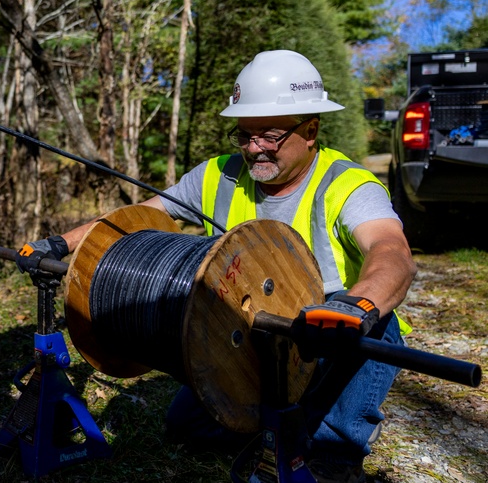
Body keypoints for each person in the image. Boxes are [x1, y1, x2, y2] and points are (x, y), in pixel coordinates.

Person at [21, 50, 416, 483]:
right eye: (243, 136)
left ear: (312, 129)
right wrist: (61, 243)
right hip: (244, 331)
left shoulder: (348, 184)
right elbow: (133, 218)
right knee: (188, 427)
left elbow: (392, 253)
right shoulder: (218, 174)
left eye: (268, 135)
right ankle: (284, 423)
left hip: (321, 333)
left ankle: (334, 450)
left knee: (379, 327)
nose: (253, 149)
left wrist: (358, 305)